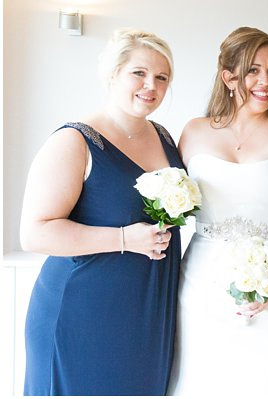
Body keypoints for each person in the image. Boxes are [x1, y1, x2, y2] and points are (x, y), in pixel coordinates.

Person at [168, 27, 268, 396]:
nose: (266, 81)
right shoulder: (193, 132)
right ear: (228, 76)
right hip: (203, 288)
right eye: (253, 70)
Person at [20, 28, 182, 395]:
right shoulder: (74, 141)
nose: (150, 86)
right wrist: (125, 239)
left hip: (147, 314)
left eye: (161, 77)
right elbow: (35, 232)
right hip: (84, 311)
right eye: (139, 73)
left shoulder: (165, 137)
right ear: (113, 73)